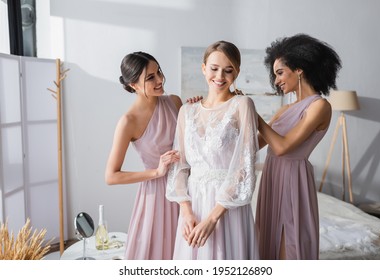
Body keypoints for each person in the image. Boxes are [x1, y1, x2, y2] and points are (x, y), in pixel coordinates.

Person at [166, 40, 260, 260]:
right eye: (214, 68)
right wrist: (186, 210)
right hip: (193, 208)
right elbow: (179, 165)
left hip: (227, 207)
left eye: (228, 71)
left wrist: (212, 219)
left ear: (236, 72)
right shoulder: (186, 111)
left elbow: (243, 166)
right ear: (203, 68)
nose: (220, 76)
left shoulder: (242, 105)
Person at [254, 33, 342, 260]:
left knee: (289, 243)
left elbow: (282, 147)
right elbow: (254, 144)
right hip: (273, 177)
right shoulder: (284, 110)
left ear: (300, 69)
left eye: (280, 73)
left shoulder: (320, 106)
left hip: (293, 179)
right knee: (268, 240)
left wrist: (252, 114)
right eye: (275, 75)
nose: (277, 81)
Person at [105, 51, 182, 260]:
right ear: (133, 85)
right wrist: (156, 172)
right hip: (157, 196)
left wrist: (195, 112)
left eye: (159, 72)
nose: (159, 80)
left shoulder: (175, 102)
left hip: (186, 188)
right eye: (150, 77)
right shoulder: (128, 122)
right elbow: (111, 176)